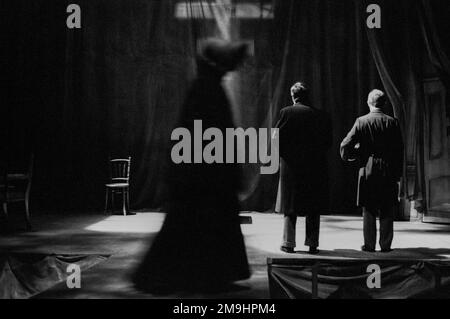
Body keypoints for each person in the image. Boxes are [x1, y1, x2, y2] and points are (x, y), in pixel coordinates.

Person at [133, 39, 250, 293]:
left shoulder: (207, 86)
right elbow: (209, 135)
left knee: (195, 226)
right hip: (203, 175)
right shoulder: (207, 89)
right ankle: (201, 277)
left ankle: (205, 276)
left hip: (201, 174)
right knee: (198, 225)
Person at [340, 89, 404, 253]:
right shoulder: (393, 122)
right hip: (388, 169)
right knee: (387, 208)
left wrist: (352, 156)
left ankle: (369, 245)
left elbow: (345, 145)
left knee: (368, 208)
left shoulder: (361, 121)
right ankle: (385, 245)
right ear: (384, 104)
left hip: (368, 168)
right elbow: (399, 151)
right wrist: (398, 174)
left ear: (369, 103)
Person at [277, 82, 332, 255]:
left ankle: (288, 243)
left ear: (293, 96)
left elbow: (276, 140)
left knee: (290, 206)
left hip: (291, 167)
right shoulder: (322, 116)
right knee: (313, 206)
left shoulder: (286, 113)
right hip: (315, 167)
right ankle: (313, 244)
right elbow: (328, 143)